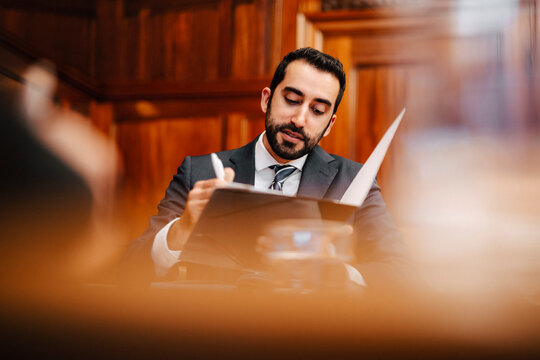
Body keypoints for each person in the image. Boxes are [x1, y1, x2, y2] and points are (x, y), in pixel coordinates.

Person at [124, 47, 407, 287]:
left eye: (317, 110)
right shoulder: (197, 172)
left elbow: (400, 271)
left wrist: (338, 274)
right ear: (266, 99)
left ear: (330, 124)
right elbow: (128, 270)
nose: (299, 119)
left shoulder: (355, 181)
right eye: (292, 100)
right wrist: (180, 231)